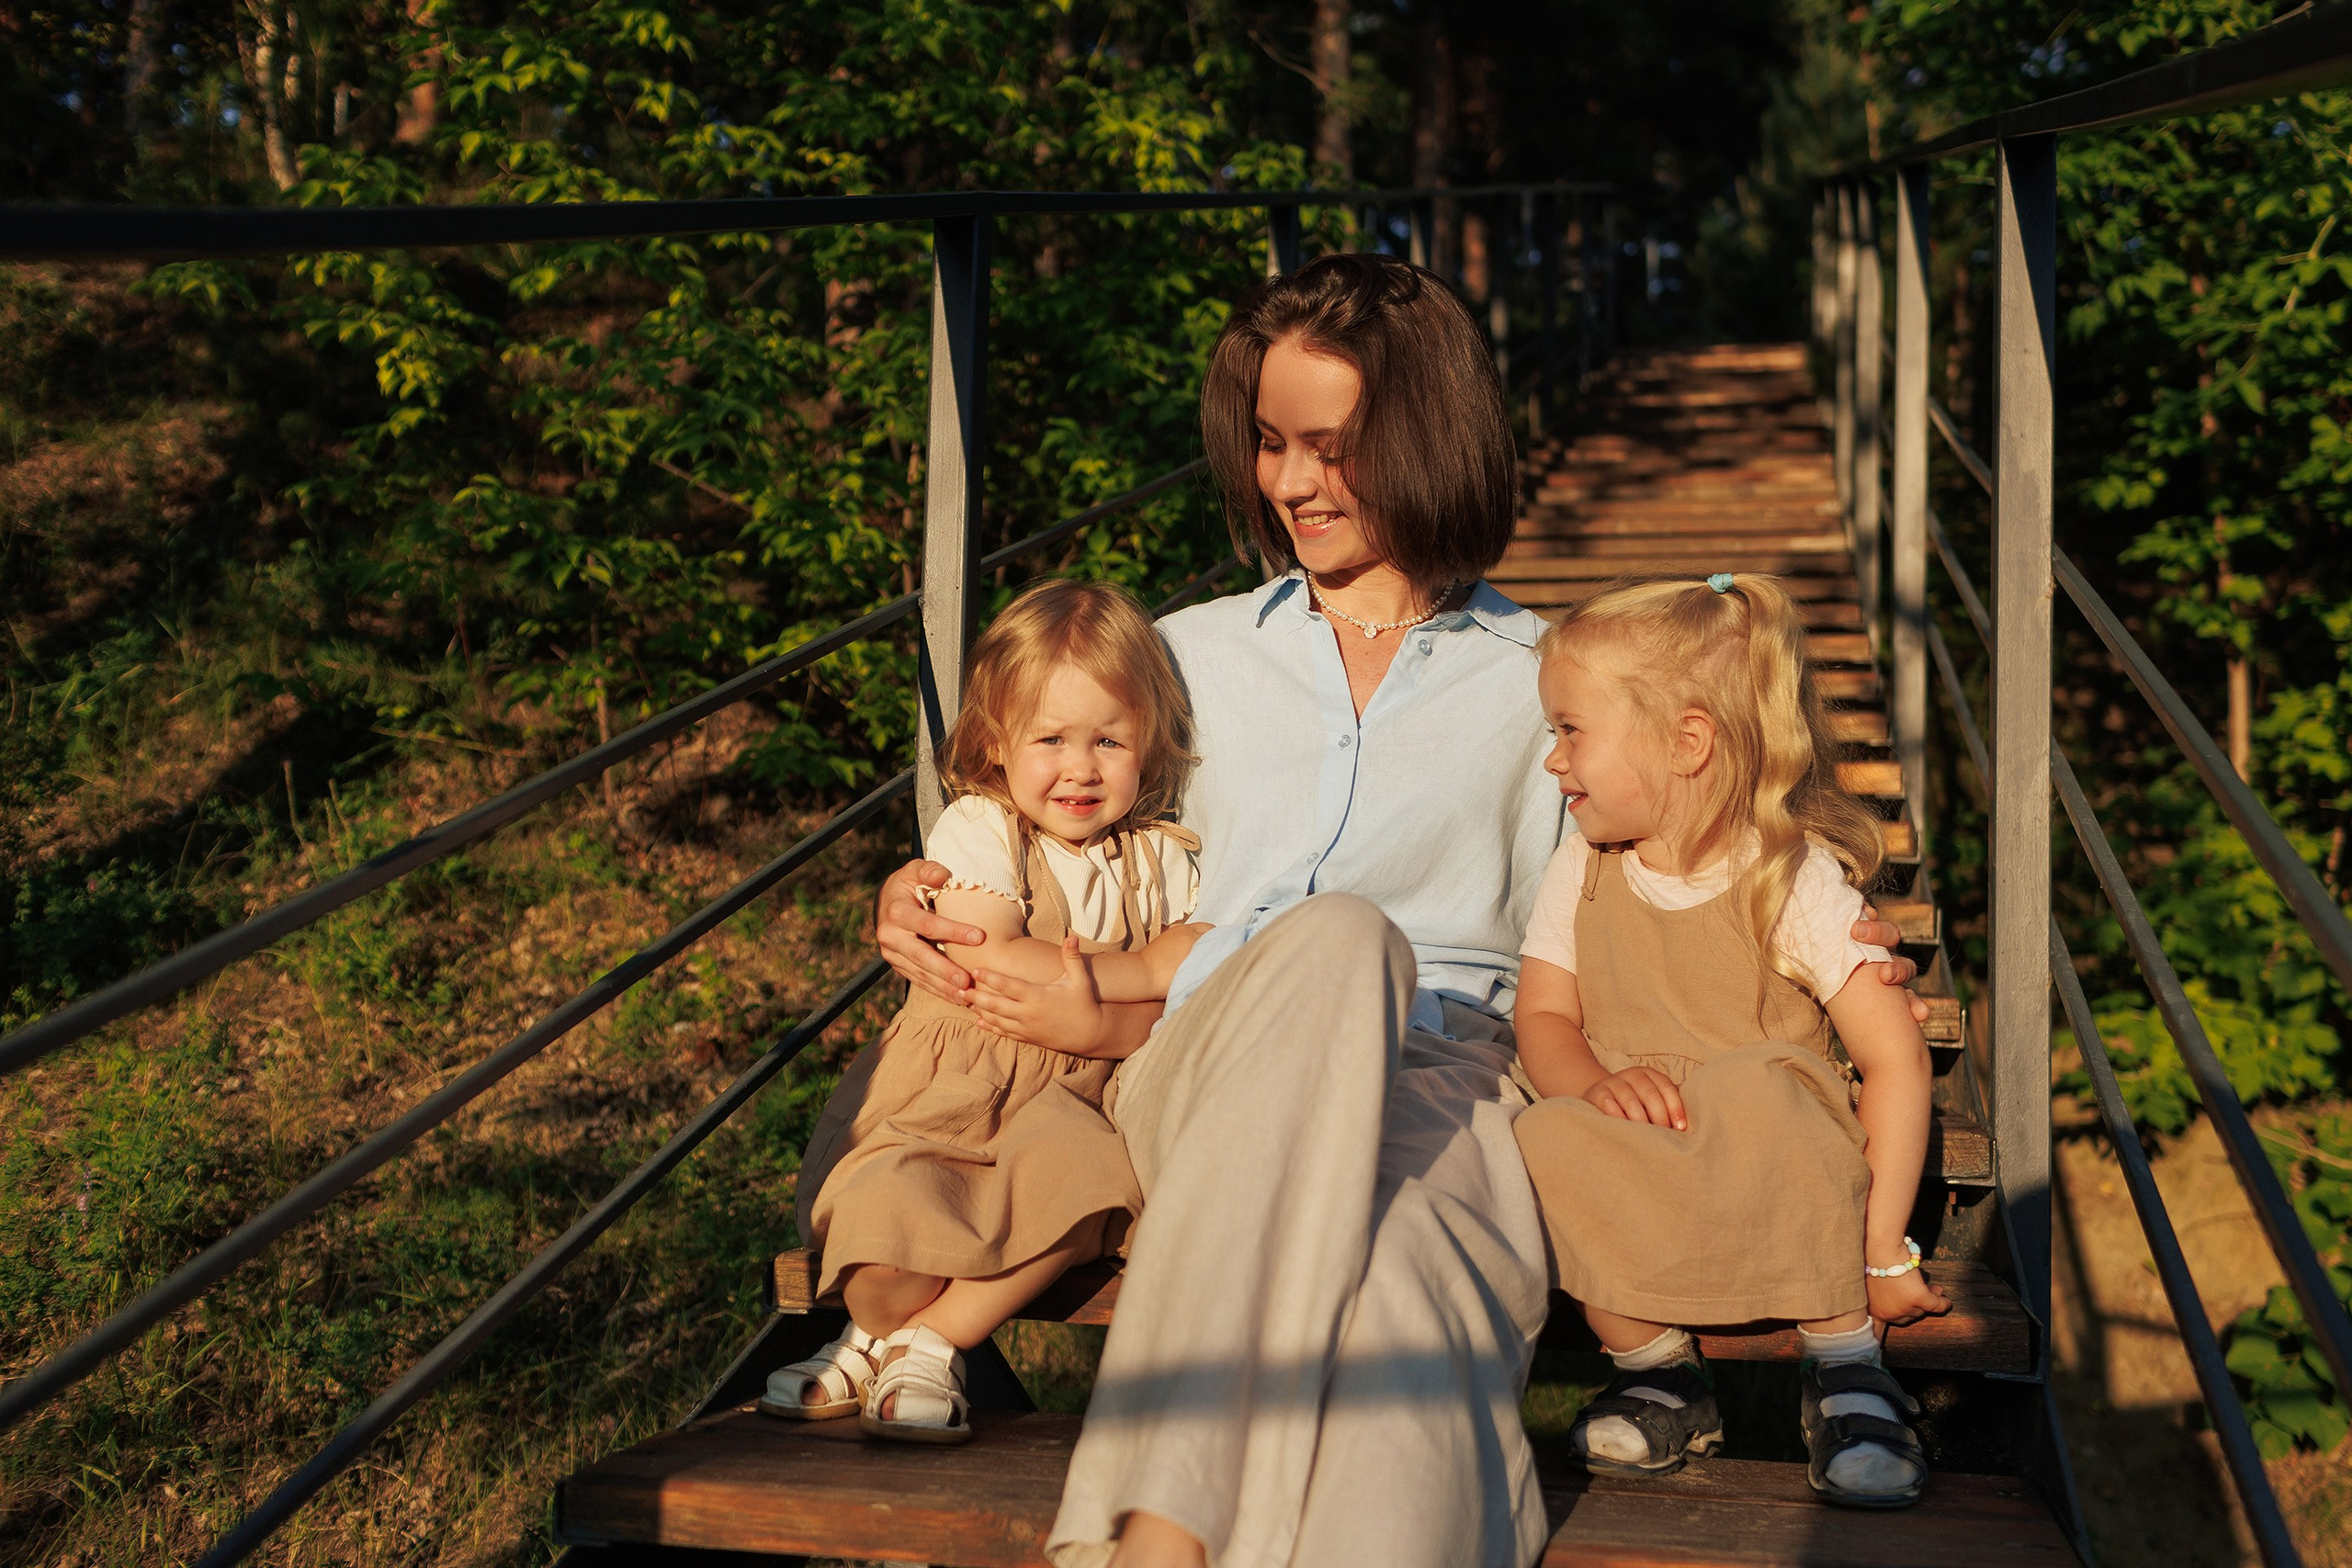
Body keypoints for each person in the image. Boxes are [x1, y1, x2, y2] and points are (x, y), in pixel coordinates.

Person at [871, 254, 1922, 1566]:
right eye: (1268, 443)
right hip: (1216, 1056)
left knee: (1414, 1326)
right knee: (1340, 940)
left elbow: (1703, 825)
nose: (1290, 481)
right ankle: (1159, 1539)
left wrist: (1822, 908)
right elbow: (1038, 802)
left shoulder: (1555, 677)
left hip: (1455, 1076)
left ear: (1425, 436)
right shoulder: (1186, 656)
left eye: (1329, 444)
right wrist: (923, 884)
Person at [1511, 570, 1952, 1510]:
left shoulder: (1788, 879)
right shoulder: (1579, 869)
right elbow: (1544, 1017)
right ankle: (1658, 1371)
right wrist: (1591, 1084)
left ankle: (1846, 1370)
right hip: (1650, 1153)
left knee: (1761, 1085)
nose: (1553, 762)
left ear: (1687, 741)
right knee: (1541, 1133)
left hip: (1772, 1167)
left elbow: (1893, 1058)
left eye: (1570, 731)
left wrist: (1881, 1250)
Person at [767, 579, 1207, 1444]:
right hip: (961, 1085)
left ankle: (931, 1340)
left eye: (1108, 740)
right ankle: (878, 1326)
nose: (1080, 767)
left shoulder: (1165, 858)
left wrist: (1105, 980)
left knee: (1092, 1191)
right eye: (1051, 739)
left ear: (1147, 743)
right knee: (883, 1242)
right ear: (998, 745)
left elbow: (1194, 960)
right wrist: (1131, 971)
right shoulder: (982, 828)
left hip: (1077, 1101)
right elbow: (991, 951)